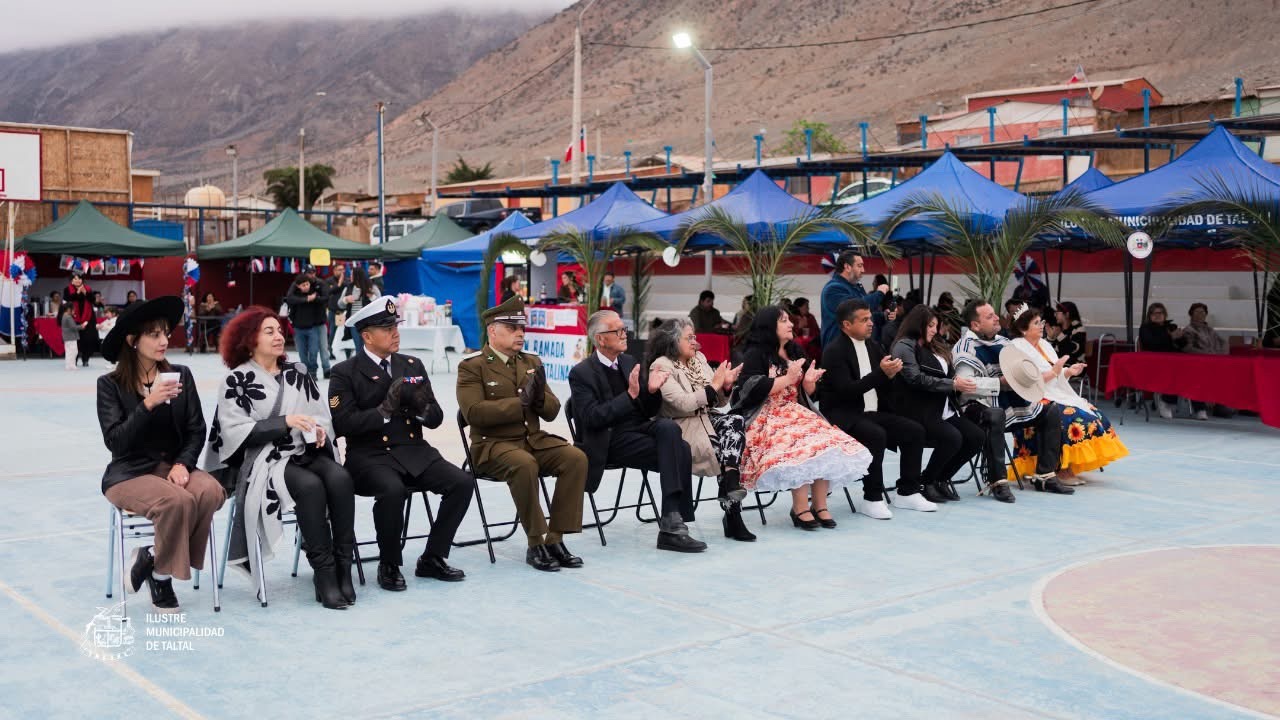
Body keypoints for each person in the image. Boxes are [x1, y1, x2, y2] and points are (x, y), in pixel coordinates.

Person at [202, 306, 355, 609]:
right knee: (310, 487)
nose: (278, 336)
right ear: (249, 339)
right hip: (266, 459)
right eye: (268, 331)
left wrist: (319, 433)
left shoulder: (298, 372)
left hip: (305, 451)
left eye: (279, 330)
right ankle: (324, 574)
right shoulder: (235, 380)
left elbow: (320, 415)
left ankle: (343, 568)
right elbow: (233, 432)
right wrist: (283, 422)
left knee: (340, 478)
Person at [329, 298, 473, 591]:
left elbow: (434, 419)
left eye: (395, 326)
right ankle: (389, 562)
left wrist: (420, 407)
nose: (395, 332)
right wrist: (383, 411)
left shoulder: (411, 364)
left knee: (462, 482)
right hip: (369, 456)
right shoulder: (345, 372)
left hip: (413, 450)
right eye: (386, 328)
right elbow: (342, 424)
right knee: (392, 490)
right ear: (367, 336)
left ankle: (433, 557)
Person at [96, 297, 225, 613]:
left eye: (166, 333)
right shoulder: (109, 385)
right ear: (133, 340)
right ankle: (163, 580)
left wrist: (183, 463)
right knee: (177, 501)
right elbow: (116, 443)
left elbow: (197, 429)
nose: (164, 341)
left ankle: (154, 562)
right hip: (129, 472)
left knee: (210, 491)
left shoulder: (181, 374)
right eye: (154, 335)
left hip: (171, 464)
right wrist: (148, 404)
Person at [457, 296, 589, 572]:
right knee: (524, 464)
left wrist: (539, 397)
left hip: (532, 441)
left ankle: (555, 538)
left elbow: (552, 412)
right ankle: (534, 542)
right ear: (493, 331)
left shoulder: (531, 361)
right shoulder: (473, 367)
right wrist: (521, 404)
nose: (520, 334)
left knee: (575, 458)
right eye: (512, 328)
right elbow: (475, 414)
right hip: (492, 446)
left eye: (522, 328)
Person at [569, 311, 705, 552]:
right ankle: (673, 524)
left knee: (669, 429)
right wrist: (629, 396)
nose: (625, 335)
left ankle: (671, 521)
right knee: (680, 450)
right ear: (601, 339)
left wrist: (651, 391)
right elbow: (592, 419)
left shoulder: (629, 362)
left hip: (638, 429)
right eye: (618, 331)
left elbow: (646, 409)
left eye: (624, 330)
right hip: (609, 440)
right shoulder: (582, 373)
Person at [732, 306, 872, 530]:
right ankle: (800, 507)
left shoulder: (795, 351)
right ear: (770, 326)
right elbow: (750, 390)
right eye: (784, 320)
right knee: (801, 441)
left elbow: (806, 392)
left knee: (827, 439)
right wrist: (788, 378)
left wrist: (808, 382)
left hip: (794, 411)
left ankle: (820, 504)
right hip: (766, 417)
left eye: (789, 320)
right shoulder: (755, 354)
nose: (790, 324)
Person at [819, 299, 931, 517]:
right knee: (875, 435)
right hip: (846, 416)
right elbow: (846, 391)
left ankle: (907, 491)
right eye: (864, 320)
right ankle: (872, 497)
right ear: (846, 325)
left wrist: (892, 375)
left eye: (870, 318)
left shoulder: (874, 346)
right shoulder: (834, 351)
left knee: (914, 430)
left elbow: (883, 384)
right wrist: (881, 374)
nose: (871, 323)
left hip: (874, 413)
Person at [646, 319, 754, 541]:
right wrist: (714, 385)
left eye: (695, 337)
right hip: (682, 428)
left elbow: (719, 403)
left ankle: (730, 486)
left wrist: (725, 386)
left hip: (707, 419)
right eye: (690, 337)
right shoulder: (661, 365)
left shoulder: (699, 360)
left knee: (735, 421)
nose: (695, 342)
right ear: (673, 341)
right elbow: (683, 404)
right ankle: (733, 513)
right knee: (726, 449)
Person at [953, 300, 1074, 497]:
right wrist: (1000, 383)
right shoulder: (964, 348)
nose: (996, 318)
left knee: (1050, 411)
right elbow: (968, 386)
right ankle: (997, 482)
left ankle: (1045, 475)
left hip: (1009, 401)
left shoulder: (1004, 342)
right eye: (989, 316)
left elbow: (1021, 372)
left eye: (994, 314)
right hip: (977, 406)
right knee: (995, 415)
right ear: (975, 325)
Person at [1007, 307, 1129, 482]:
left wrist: (1069, 372)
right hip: (1031, 397)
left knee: (1092, 412)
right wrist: (1056, 371)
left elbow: (1055, 374)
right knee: (1071, 417)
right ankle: (1061, 468)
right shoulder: (1016, 348)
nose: (1042, 326)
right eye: (1036, 323)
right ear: (1023, 329)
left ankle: (1067, 465)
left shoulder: (1044, 344)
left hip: (1052, 392)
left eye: (1041, 321)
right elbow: (1026, 381)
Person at [889, 306, 984, 505]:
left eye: (936, 326)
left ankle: (939, 478)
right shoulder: (904, 346)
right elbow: (914, 378)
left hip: (944, 408)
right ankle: (928, 480)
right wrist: (952, 383)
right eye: (931, 325)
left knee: (976, 437)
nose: (935, 330)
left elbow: (944, 374)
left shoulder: (934, 345)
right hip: (919, 410)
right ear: (918, 324)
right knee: (953, 438)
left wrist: (957, 381)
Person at [1138, 302, 1201, 419]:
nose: (1157, 315)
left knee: (1194, 368)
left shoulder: (1171, 326)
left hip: (1173, 359)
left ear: (1165, 314)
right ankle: (1165, 401)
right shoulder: (1145, 328)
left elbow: (1183, 345)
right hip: (1154, 361)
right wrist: (1170, 337)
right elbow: (1151, 344)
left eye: (1160, 313)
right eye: (1154, 313)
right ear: (1149, 315)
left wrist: (1180, 337)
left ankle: (1199, 407)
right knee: (1173, 369)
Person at [820, 250, 889, 348]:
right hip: (839, 350)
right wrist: (879, 293)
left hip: (855, 347)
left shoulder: (855, 287)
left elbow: (863, 316)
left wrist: (884, 316)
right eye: (859, 266)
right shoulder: (833, 289)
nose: (863, 270)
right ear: (847, 267)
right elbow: (856, 309)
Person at [285, 273, 331, 380]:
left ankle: (313, 371)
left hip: (313, 327)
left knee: (314, 351)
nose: (306, 287)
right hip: (298, 328)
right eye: (303, 285)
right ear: (298, 286)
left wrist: (315, 298)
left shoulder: (315, 292)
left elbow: (325, 298)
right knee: (302, 352)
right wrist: (306, 299)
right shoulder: (294, 295)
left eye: (307, 284)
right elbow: (290, 301)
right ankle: (305, 371)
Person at [339, 267, 381, 356]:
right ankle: (361, 366)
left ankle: (368, 365)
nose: (350, 276)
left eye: (352, 274)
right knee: (359, 346)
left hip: (368, 322)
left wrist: (371, 297)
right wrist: (345, 299)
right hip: (354, 322)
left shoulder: (371, 287)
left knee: (369, 346)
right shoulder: (348, 287)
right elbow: (339, 304)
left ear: (357, 276)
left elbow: (379, 302)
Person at [66, 273, 98, 367]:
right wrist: (78, 292)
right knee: (74, 340)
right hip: (73, 317)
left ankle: (86, 359)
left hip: (88, 318)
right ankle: (73, 360)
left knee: (88, 339)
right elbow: (69, 299)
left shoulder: (88, 289)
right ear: (71, 280)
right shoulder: (68, 289)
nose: (77, 280)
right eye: (75, 279)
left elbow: (92, 300)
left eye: (79, 279)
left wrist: (85, 293)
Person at [1046, 301, 1086, 365]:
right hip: (1059, 366)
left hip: (1074, 367)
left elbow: (1072, 350)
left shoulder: (1079, 330)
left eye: (1058, 312)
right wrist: (1050, 338)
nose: (1055, 314)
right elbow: (1050, 352)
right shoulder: (1059, 329)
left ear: (1067, 314)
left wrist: (1059, 336)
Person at [324, 263, 348, 356]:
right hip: (333, 311)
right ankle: (330, 352)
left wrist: (342, 283)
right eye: (339, 270)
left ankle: (346, 352)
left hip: (343, 312)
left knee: (343, 332)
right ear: (334, 271)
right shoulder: (329, 281)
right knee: (332, 331)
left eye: (343, 269)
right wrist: (339, 284)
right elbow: (328, 292)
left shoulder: (347, 282)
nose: (341, 272)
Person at [790, 297, 822, 361]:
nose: (808, 308)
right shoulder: (792, 318)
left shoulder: (810, 317)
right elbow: (792, 335)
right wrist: (800, 327)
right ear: (799, 307)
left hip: (814, 345)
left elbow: (816, 331)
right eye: (806, 306)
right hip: (799, 348)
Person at [60, 300, 83, 370]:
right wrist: (82, 326)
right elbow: (74, 327)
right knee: (73, 351)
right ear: (69, 309)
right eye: (73, 310)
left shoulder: (64, 316)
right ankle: (71, 365)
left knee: (69, 352)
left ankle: (69, 365)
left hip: (67, 337)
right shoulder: (68, 317)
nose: (74, 311)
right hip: (71, 337)